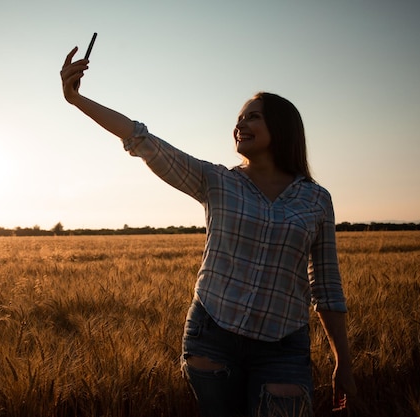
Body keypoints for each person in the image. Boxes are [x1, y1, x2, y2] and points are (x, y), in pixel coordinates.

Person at [60, 46, 356, 417]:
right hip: (212, 336)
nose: (241, 124)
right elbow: (142, 141)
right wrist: (77, 99)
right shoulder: (216, 181)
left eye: (254, 117)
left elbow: (327, 286)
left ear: (281, 127)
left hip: (284, 346)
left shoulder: (316, 199)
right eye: (239, 118)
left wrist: (342, 361)